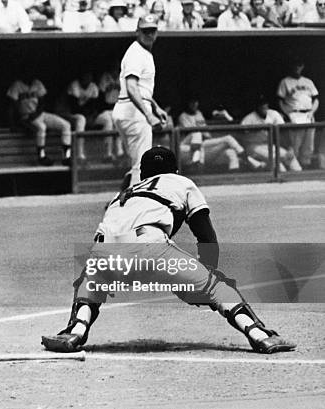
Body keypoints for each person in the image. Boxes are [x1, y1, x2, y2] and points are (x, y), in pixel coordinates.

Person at [41, 146, 296, 355]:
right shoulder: (181, 182)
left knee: (91, 276)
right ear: (174, 169)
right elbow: (206, 236)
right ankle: (260, 335)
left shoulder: (124, 193)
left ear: (143, 173)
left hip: (103, 250)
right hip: (149, 248)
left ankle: (75, 331)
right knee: (217, 286)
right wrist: (204, 277)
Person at [113, 13, 168, 189]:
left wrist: (155, 106)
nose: (149, 35)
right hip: (133, 111)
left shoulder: (143, 52)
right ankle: (132, 205)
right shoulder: (136, 53)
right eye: (145, 31)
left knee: (137, 162)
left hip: (129, 109)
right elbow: (131, 87)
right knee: (142, 164)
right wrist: (149, 115)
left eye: (152, 31)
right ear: (138, 31)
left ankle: (121, 199)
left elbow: (142, 89)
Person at [178, 97, 265, 172]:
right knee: (227, 139)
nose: (194, 104)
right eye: (191, 102)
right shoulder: (183, 116)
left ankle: (234, 182)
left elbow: (206, 132)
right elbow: (192, 133)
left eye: (195, 102)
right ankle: (251, 162)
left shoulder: (199, 113)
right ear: (187, 104)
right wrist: (205, 134)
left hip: (205, 146)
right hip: (188, 147)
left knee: (231, 153)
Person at [7, 77, 73, 166]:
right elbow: (12, 106)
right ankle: (41, 156)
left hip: (39, 114)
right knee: (41, 127)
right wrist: (14, 123)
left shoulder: (37, 83)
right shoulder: (17, 85)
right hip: (26, 116)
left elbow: (42, 102)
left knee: (66, 125)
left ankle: (67, 157)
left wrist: (36, 113)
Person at [240, 95, 302, 172]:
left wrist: (289, 148)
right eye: (262, 107)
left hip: (269, 145)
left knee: (289, 156)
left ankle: (298, 175)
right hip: (253, 147)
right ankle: (281, 177)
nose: (264, 109)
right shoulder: (248, 119)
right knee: (274, 158)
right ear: (257, 108)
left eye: (266, 106)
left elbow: (283, 131)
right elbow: (240, 137)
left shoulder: (273, 114)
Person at [277, 58, 319, 169]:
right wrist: (287, 113)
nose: (297, 67)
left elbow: (316, 99)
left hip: (309, 114)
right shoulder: (285, 81)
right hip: (295, 114)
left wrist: (312, 111)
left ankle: (306, 166)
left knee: (309, 144)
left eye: (299, 65)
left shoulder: (308, 81)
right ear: (291, 66)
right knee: (295, 143)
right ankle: (294, 167)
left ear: (302, 67)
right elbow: (280, 100)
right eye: (295, 65)